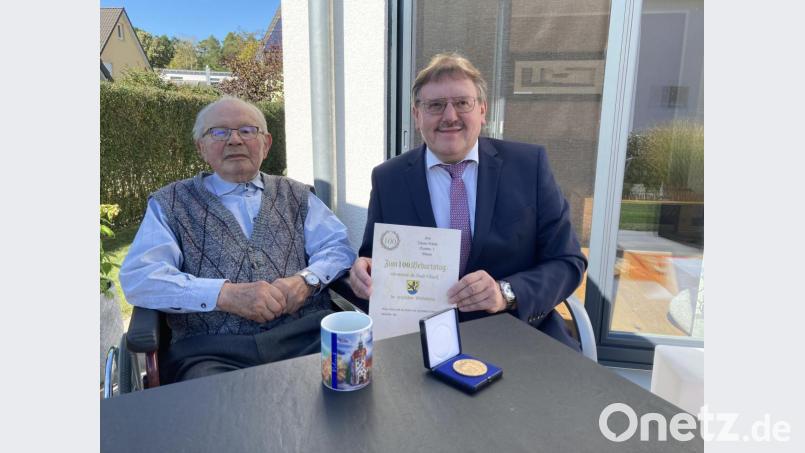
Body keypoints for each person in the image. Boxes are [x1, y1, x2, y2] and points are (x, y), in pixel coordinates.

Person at [349, 53, 588, 350]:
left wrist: (507, 293)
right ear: (417, 114)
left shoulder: (529, 166)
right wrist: (363, 273)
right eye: (435, 105)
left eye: (463, 103)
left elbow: (568, 261)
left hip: (519, 337)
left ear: (483, 110)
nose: (450, 116)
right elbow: (374, 261)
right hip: (420, 344)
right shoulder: (389, 178)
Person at [120, 96, 356, 382]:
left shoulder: (296, 195)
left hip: (304, 336)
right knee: (220, 419)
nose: (234, 140)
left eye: (247, 130)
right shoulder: (171, 203)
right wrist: (224, 295)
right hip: (209, 352)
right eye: (218, 132)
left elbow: (338, 247)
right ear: (201, 147)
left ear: (266, 144)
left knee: (348, 388)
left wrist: (306, 281)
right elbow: (141, 276)